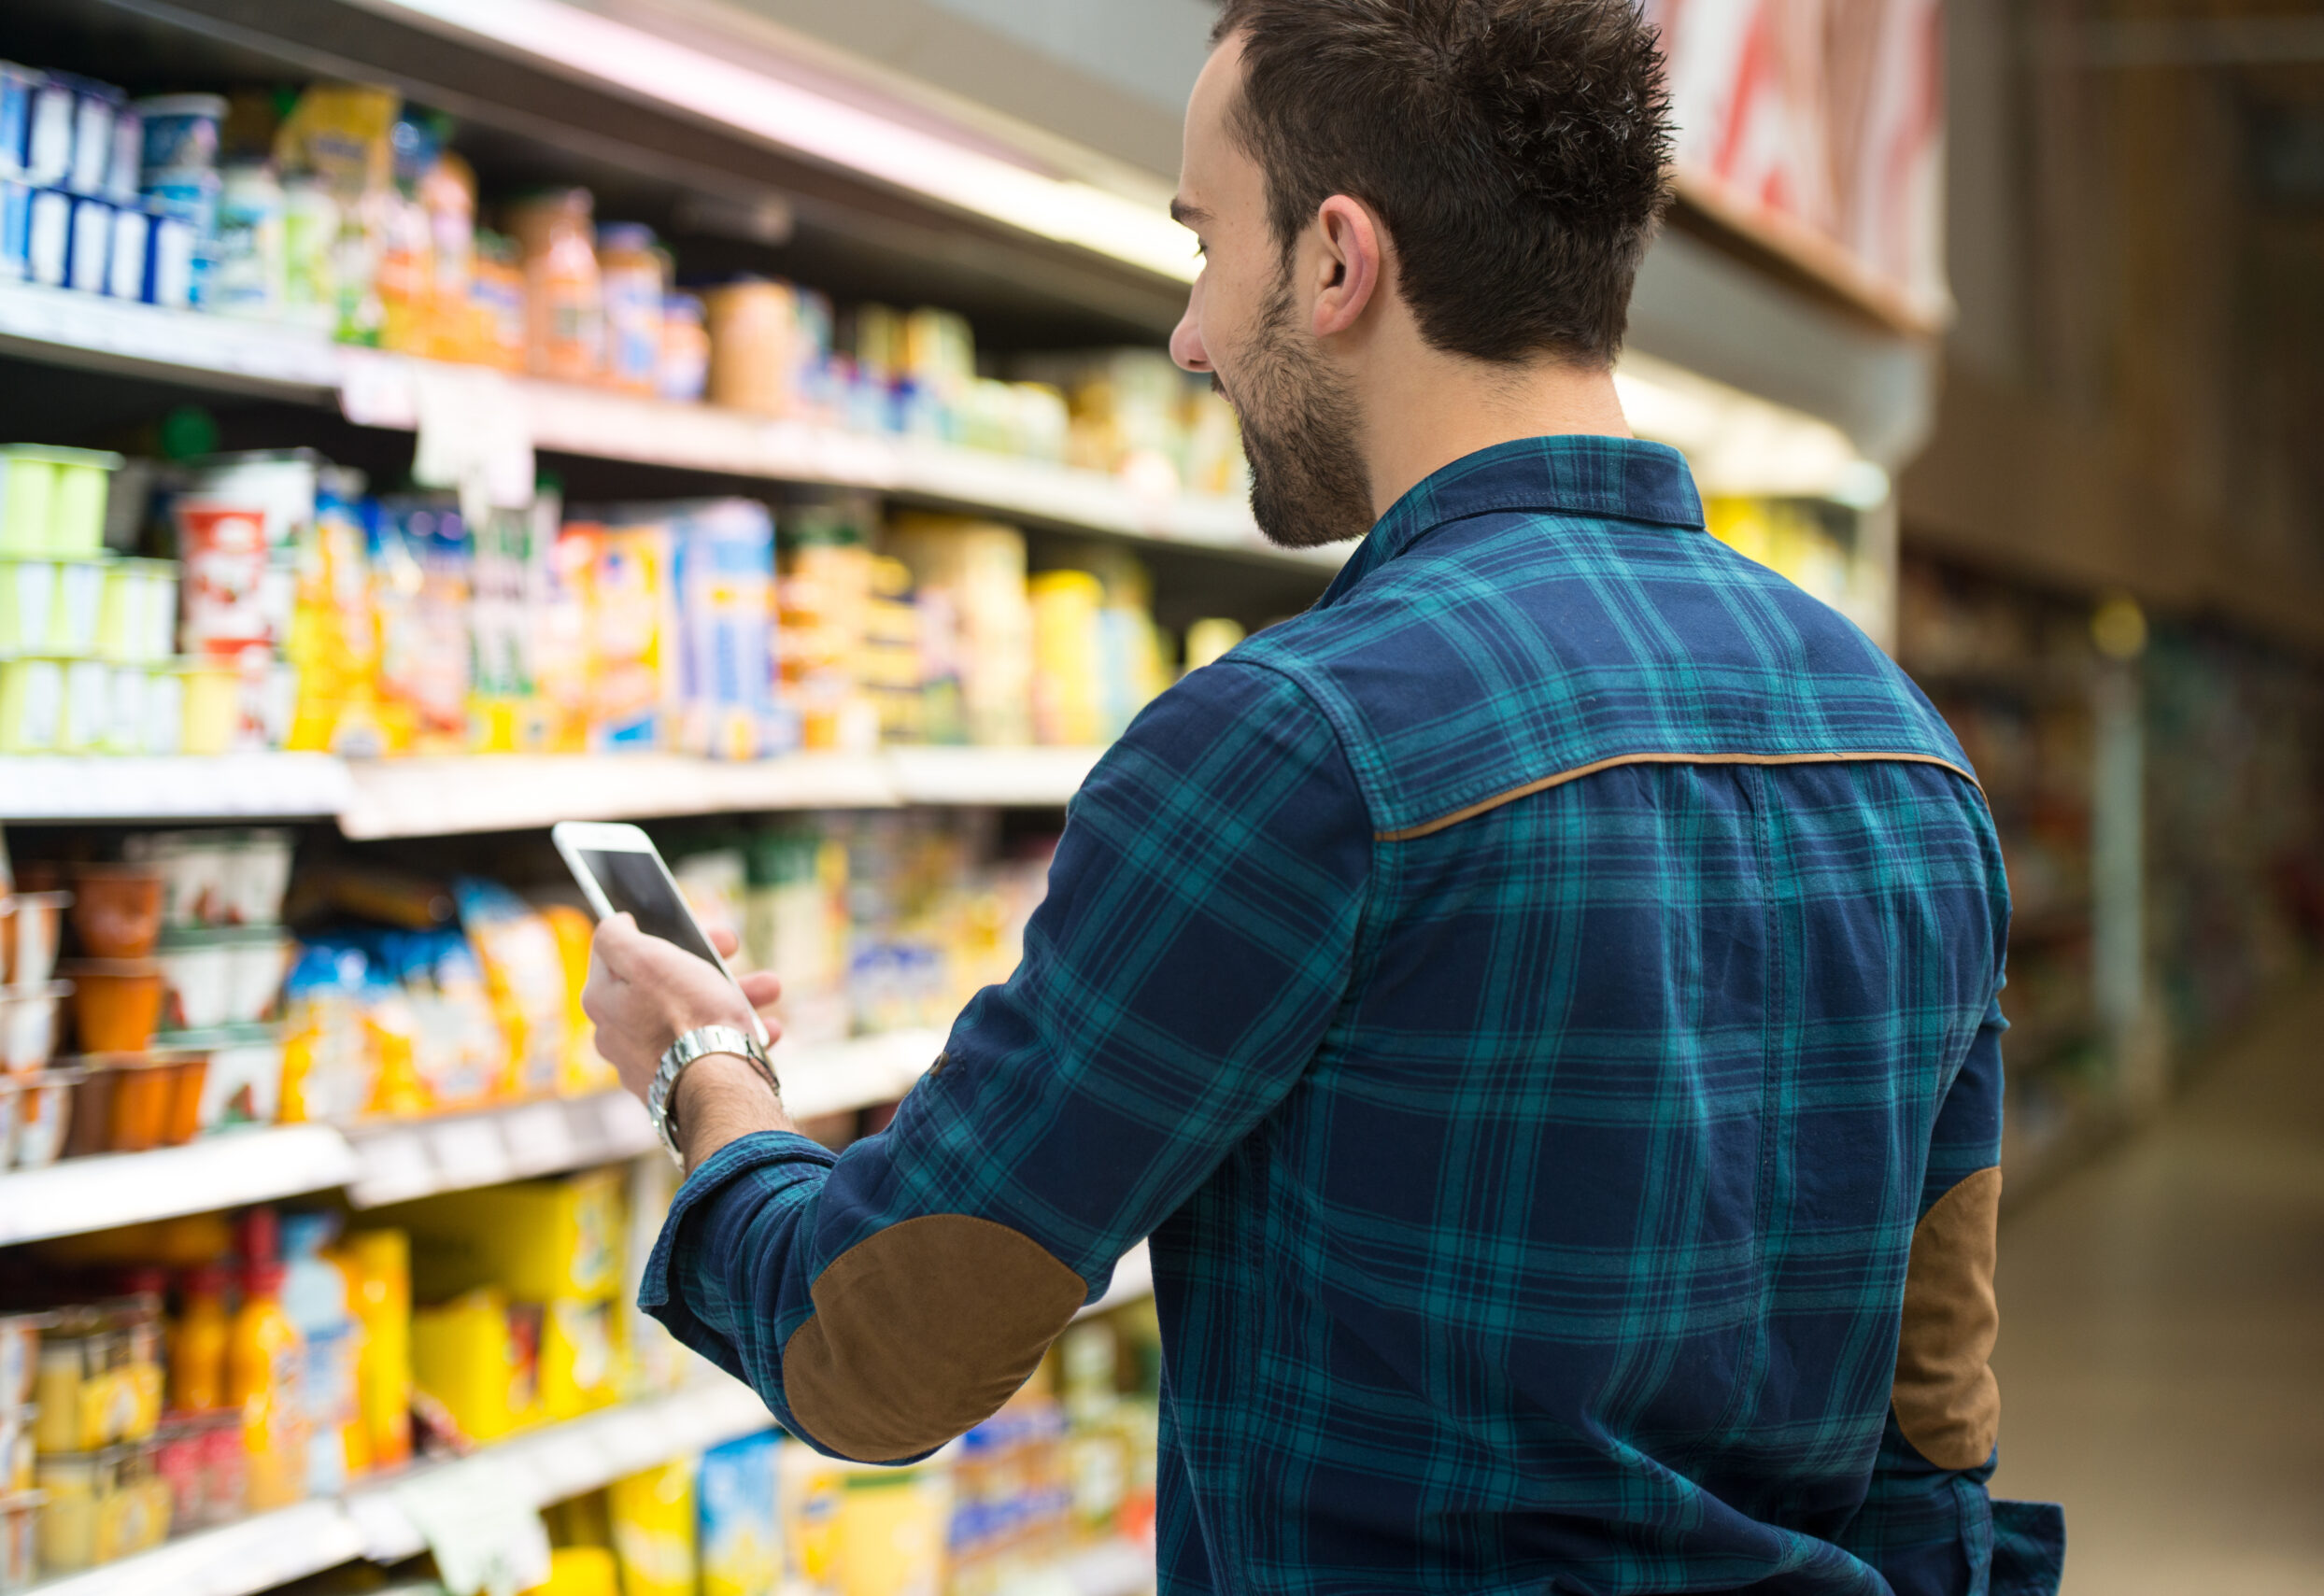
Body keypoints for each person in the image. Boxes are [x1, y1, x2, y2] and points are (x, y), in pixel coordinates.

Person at [580, 2, 2065, 1590]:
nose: (1191, 335)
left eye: (1207, 243)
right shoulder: (1904, 747)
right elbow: (1934, 1431)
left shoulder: (1288, 748)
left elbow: (876, 1346)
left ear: (1340, 262)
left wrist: (707, 1074)